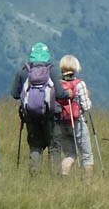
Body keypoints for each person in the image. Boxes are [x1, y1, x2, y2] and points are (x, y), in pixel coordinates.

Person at [11, 42, 72, 175]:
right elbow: (61, 94)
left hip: (31, 117)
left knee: (35, 146)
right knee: (54, 146)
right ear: (47, 55)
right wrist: (69, 94)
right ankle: (55, 176)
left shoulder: (23, 71)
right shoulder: (51, 71)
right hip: (51, 115)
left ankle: (34, 174)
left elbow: (15, 94)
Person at [57, 54, 95, 180]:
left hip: (62, 122)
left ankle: (64, 176)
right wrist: (87, 97)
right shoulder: (80, 84)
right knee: (87, 154)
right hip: (78, 122)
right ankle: (89, 182)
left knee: (70, 154)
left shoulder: (57, 84)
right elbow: (87, 106)